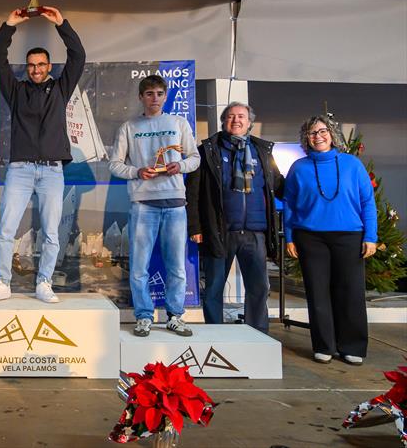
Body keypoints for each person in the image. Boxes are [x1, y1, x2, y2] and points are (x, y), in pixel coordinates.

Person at [0, 6, 86, 304]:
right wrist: (8, 25)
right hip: (21, 170)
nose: (36, 69)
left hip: (52, 171)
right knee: (6, 230)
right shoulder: (16, 92)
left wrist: (62, 24)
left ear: (49, 65)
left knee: (51, 233)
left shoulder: (61, 88)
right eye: (31, 65)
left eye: (41, 64)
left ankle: (44, 283)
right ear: (26, 68)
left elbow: (78, 56)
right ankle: (2, 283)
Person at [109, 75, 200, 337]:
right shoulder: (129, 127)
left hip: (175, 203)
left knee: (177, 267)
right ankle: (143, 317)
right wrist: (137, 172)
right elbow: (115, 165)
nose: (155, 98)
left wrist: (180, 166)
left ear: (165, 96)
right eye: (149, 94)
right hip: (143, 204)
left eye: (160, 93)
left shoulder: (178, 123)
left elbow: (194, 158)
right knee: (139, 267)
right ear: (141, 97)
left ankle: (175, 316)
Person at [284, 114, 377, 365]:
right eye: (312, 132)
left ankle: (352, 346)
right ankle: (324, 345)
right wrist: (290, 237)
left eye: (323, 131)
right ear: (306, 138)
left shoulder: (352, 164)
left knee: (351, 292)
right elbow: (290, 205)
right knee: (317, 293)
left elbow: (368, 201)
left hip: (349, 236)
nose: (318, 136)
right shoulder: (299, 168)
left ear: (332, 134)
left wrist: (370, 236)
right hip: (310, 238)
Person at [185, 102, 284, 333]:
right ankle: (216, 334)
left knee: (259, 287)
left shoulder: (262, 152)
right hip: (219, 231)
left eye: (241, 116)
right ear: (223, 121)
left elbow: (278, 185)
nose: (236, 120)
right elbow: (193, 192)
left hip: (255, 233)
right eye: (230, 116)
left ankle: (257, 334)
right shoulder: (208, 151)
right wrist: (195, 227)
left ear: (249, 123)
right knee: (214, 288)